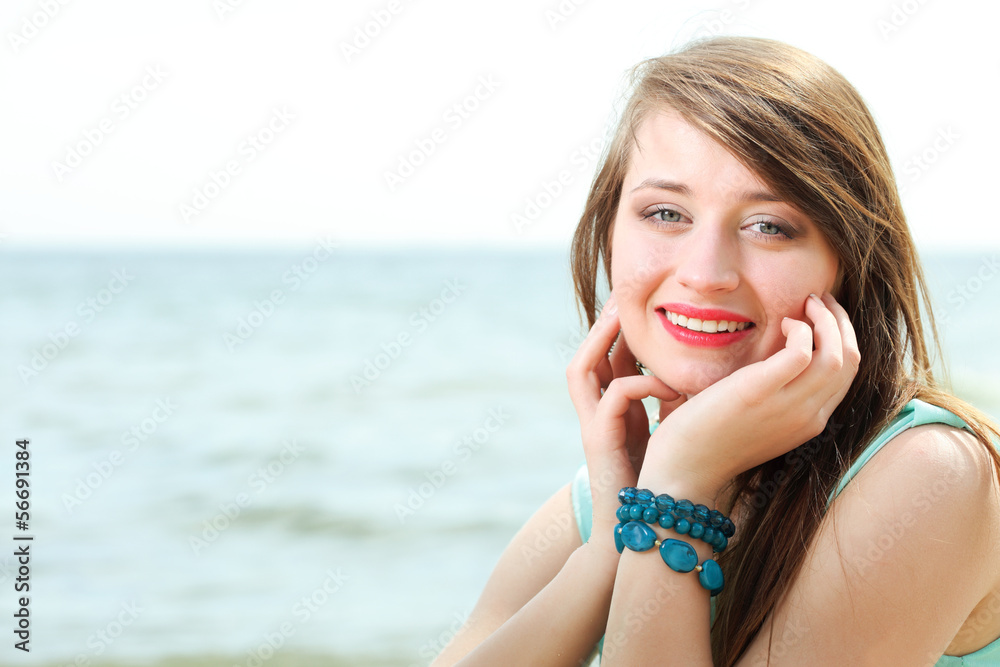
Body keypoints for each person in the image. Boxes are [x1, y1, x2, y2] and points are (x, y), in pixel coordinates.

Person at [430, 36, 1000, 666]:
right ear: (608, 230)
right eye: (667, 213)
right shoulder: (611, 498)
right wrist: (608, 553)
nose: (705, 273)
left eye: (768, 226)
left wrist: (678, 493)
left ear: (848, 266)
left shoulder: (929, 474)